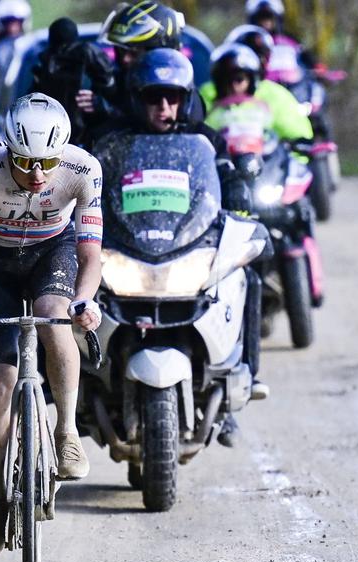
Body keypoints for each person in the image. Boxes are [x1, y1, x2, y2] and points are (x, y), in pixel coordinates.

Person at [0, 94, 103, 558]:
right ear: (6, 149)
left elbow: (91, 255)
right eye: (25, 161)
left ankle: (67, 431)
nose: (37, 174)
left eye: (47, 162)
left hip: (51, 253)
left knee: (56, 322)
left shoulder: (83, 169)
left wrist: (85, 300)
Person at [96, 49, 272, 446]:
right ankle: (67, 389)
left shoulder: (204, 141)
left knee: (249, 274)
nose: (163, 106)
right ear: (136, 98)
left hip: (187, 249)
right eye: (153, 97)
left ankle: (245, 373)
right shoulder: (111, 143)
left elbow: (225, 179)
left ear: (186, 98)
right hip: (129, 250)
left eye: (172, 97)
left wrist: (240, 190)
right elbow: (92, 186)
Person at [78, 1, 200, 133]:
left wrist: (111, 112)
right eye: (120, 51)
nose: (125, 59)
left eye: (134, 53)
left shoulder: (182, 94)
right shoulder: (117, 81)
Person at [31, 17, 115, 145]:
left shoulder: (88, 56)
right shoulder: (44, 63)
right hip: (48, 139)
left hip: (86, 140)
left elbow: (116, 97)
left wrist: (100, 105)